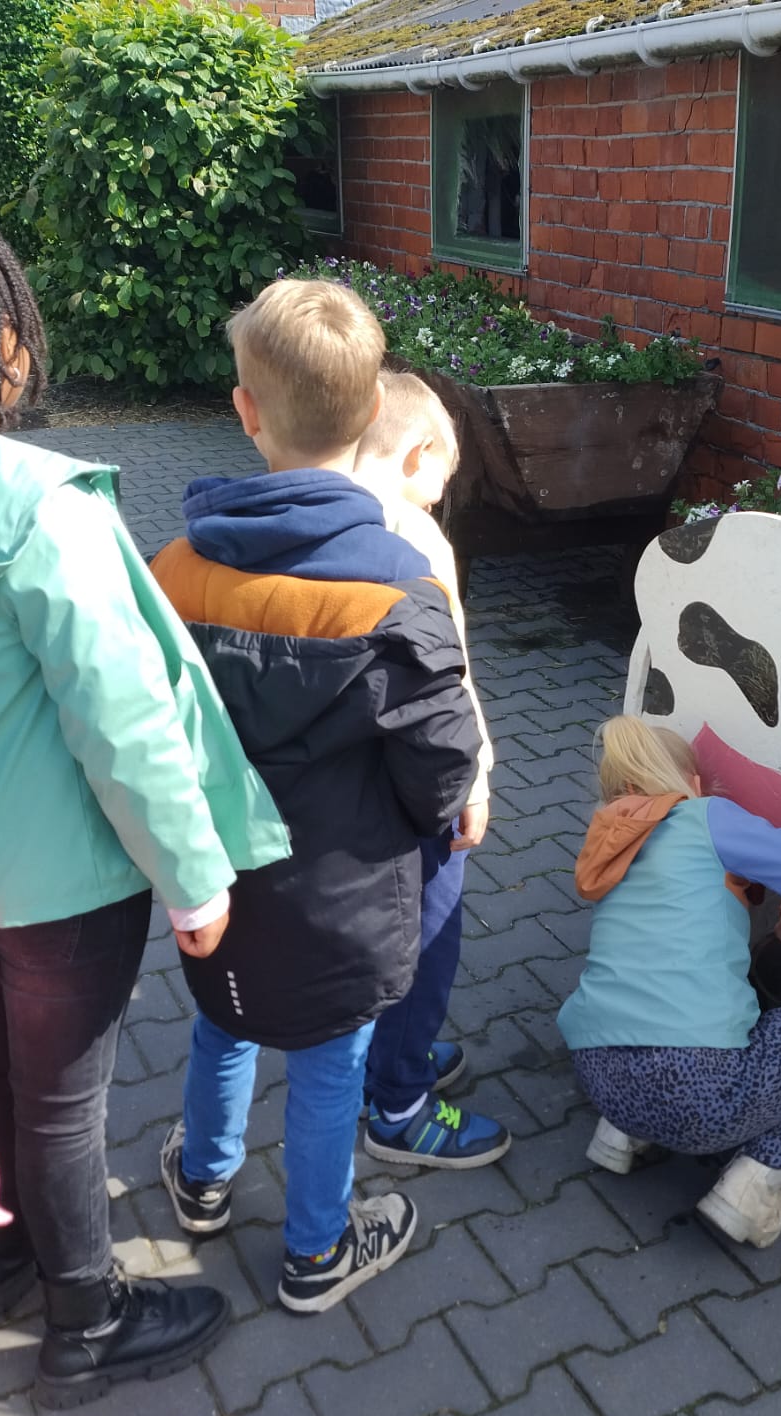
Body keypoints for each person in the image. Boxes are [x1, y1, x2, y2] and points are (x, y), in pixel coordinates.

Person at [0, 202, 291, 1410]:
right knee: (67, 1100)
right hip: (63, 878)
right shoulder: (43, 505)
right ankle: (86, 1314)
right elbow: (119, 715)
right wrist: (193, 875)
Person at [150, 279, 482, 1314]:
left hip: (220, 885)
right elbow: (441, 761)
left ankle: (202, 1179)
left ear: (245, 409)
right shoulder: (398, 585)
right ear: (368, 414)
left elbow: (149, 728)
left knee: (223, 1023)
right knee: (330, 1063)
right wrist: (448, 811)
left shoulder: (172, 566)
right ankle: (314, 1249)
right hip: (348, 898)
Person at [560, 716, 781, 1248]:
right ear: (691, 785)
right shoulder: (702, 816)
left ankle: (624, 1132)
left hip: (599, 1073)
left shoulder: (608, 842)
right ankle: (753, 1184)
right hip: (699, 1092)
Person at [347, 371, 507, 1170]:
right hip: (425, 780)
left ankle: (388, 1061)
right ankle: (399, 1104)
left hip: (353, 784)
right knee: (429, 937)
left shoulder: (331, 518)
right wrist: (474, 776)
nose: (442, 495)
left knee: (384, 933)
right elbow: (451, 676)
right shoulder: (415, 536)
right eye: (443, 476)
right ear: (415, 455)